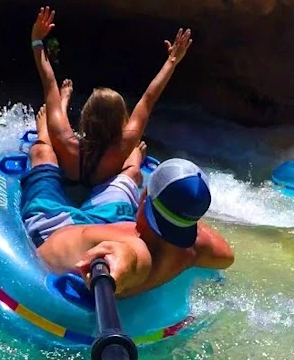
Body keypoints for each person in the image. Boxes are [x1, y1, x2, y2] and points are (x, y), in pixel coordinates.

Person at [20, 108, 234, 298]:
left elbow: (130, 259)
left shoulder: (135, 248)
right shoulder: (194, 249)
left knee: (42, 154)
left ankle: (44, 133)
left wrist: (114, 272)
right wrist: (182, 212)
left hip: (53, 224)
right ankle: (132, 159)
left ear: (145, 196)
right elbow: (227, 257)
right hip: (110, 220)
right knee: (128, 177)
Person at [30, 6, 192, 187]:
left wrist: (37, 41)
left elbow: (50, 83)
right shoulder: (123, 146)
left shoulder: (66, 140)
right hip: (103, 191)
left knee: (49, 136)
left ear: (85, 115)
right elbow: (148, 98)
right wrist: (172, 61)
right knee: (135, 154)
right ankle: (134, 157)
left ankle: (59, 108)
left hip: (67, 179)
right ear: (122, 121)